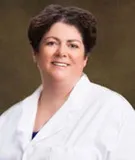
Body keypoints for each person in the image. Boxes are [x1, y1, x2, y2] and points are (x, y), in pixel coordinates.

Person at [0, 4, 135, 160]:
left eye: (73, 45)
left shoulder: (116, 112)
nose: (62, 52)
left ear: (85, 58)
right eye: (51, 43)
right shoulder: (7, 121)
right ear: (35, 53)